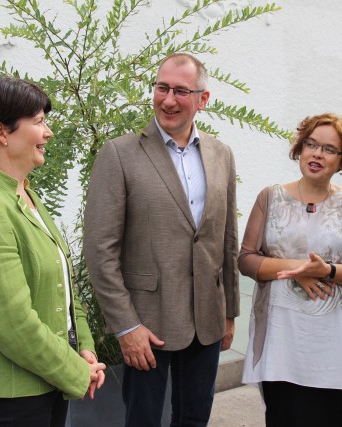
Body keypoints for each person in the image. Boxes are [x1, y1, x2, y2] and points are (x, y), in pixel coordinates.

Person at [83, 53, 240, 427]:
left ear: (203, 99)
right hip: (146, 326)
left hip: (207, 319)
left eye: (181, 91)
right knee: (143, 421)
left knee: (194, 419)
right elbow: (100, 251)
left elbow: (227, 240)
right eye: (162, 87)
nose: (168, 99)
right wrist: (126, 327)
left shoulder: (221, 154)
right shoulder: (119, 154)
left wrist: (229, 311)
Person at [0, 77, 106, 427]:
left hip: (49, 380)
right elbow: (11, 323)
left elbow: (66, 289)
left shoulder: (26, 196)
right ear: (1, 132)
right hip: (12, 396)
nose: (48, 132)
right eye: (38, 122)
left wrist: (85, 348)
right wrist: (77, 372)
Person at [239, 113, 342, 426]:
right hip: (280, 337)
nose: (316, 153)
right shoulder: (269, 197)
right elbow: (246, 259)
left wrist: (327, 270)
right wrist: (296, 269)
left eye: (329, 149)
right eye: (310, 144)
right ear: (300, 149)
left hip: (331, 341)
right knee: (281, 417)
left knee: (328, 418)